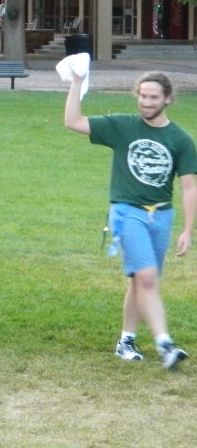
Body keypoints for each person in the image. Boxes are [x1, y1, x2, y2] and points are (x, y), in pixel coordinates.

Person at [64, 71, 194, 369]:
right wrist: (75, 83)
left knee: (141, 280)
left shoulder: (180, 139)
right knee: (146, 277)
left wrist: (187, 229)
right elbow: (73, 122)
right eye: (142, 96)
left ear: (167, 99)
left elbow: (189, 186)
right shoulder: (122, 126)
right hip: (126, 211)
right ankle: (165, 345)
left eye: (153, 97)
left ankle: (126, 340)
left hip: (161, 214)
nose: (146, 102)